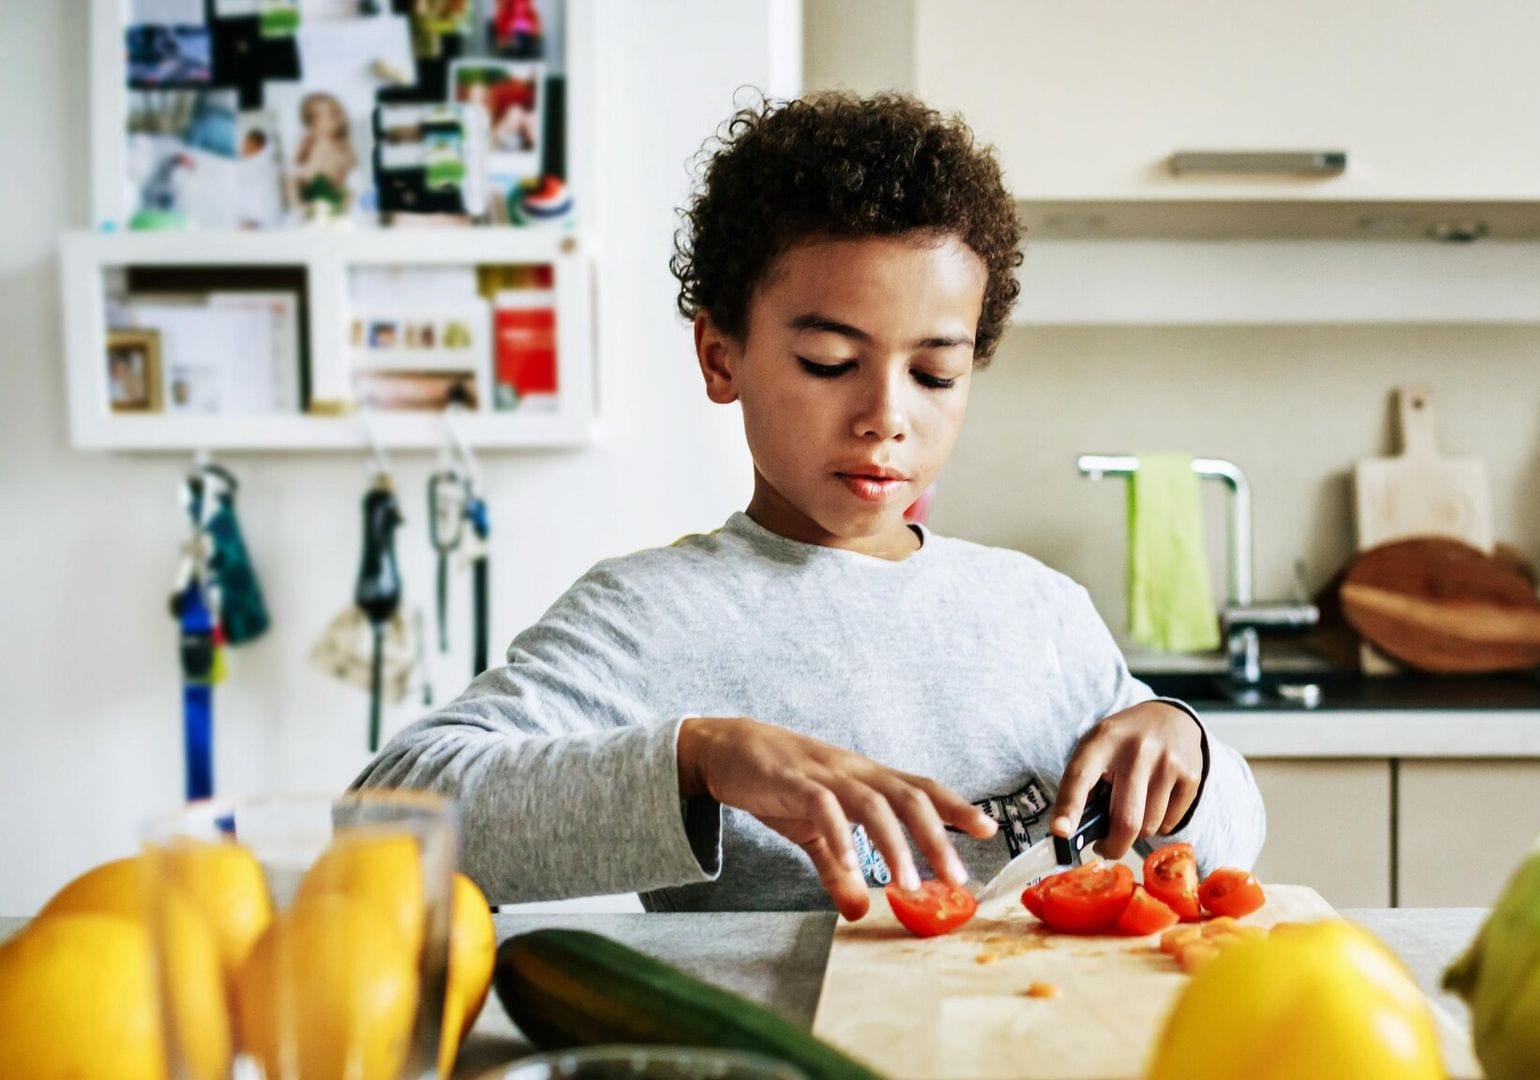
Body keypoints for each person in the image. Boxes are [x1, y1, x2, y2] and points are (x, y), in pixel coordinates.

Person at [353, 92, 1265, 917]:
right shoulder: (653, 616)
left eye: (935, 373)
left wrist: (1183, 747)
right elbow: (385, 825)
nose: (885, 418)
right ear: (722, 357)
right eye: (830, 363)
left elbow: (1229, 844)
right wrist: (700, 757)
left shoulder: (1039, 613)